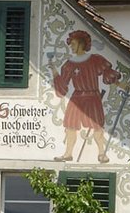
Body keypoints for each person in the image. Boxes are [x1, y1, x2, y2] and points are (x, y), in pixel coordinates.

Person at [52, 30, 122, 163]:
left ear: (81, 43)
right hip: (77, 98)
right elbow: (63, 85)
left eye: (73, 44)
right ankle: (68, 153)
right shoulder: (69, 64)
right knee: (70, 126)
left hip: (93, 96)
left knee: (97, 126)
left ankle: (101, 153)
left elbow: (108, 74)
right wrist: (55, 72)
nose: (71, 47)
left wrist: (122, 85)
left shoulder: (95, 59)